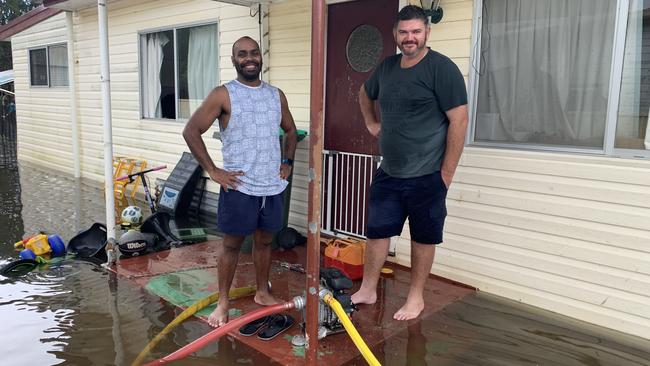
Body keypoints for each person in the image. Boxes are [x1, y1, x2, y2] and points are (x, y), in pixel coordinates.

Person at [351, 5, 468, 321]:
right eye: (403, 32)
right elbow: (364, 93)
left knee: (423, 237)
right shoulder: (387, 68)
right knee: (377, 233)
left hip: (428, 173)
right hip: (390, 170)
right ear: (395, 34)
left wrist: (446, 174)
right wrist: (372, 124)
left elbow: (459, 120)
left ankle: (416, 298)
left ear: (427, 32)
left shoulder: (441, 69)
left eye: (416, 31)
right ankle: (368, 288)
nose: (410, 38)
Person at [183, 36, 297, 328]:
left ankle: (262, 292)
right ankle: (223, 302)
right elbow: (191, 131)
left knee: (264, 241)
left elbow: (291, 131)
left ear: (261, 57)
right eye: (242, 54)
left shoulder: (276, 95)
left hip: (271, 185)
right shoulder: (223, 94)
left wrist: (286, 163)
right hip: (239, 186)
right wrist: (213, 170)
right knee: (232, 245)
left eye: (254, 53)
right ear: (234, 60)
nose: (249, 58)